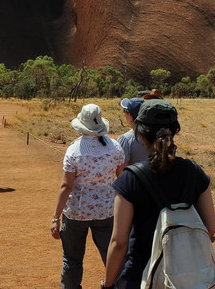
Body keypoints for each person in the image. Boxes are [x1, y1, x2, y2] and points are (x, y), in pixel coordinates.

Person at [101, 99, 215, 289]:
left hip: (140, 276)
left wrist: (108, 284)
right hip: (184, 276)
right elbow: (210, 227)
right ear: (175, 132)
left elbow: (119, 242)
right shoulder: (194, 172)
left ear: (141, 136)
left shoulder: (130, 179)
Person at [51, 104, 125, 289]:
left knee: (72, 259)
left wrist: (55, 217)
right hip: (106, 212)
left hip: (76, 212)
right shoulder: (115, 147)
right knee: (111, 256)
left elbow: (67, 186)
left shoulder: (74, 150)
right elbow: (122, 179)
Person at [116, 97, 148, 166]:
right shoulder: (154, 134)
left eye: (125, 111)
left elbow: (121, 172)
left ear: (130, 116)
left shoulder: (125, 140)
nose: (124, 114)